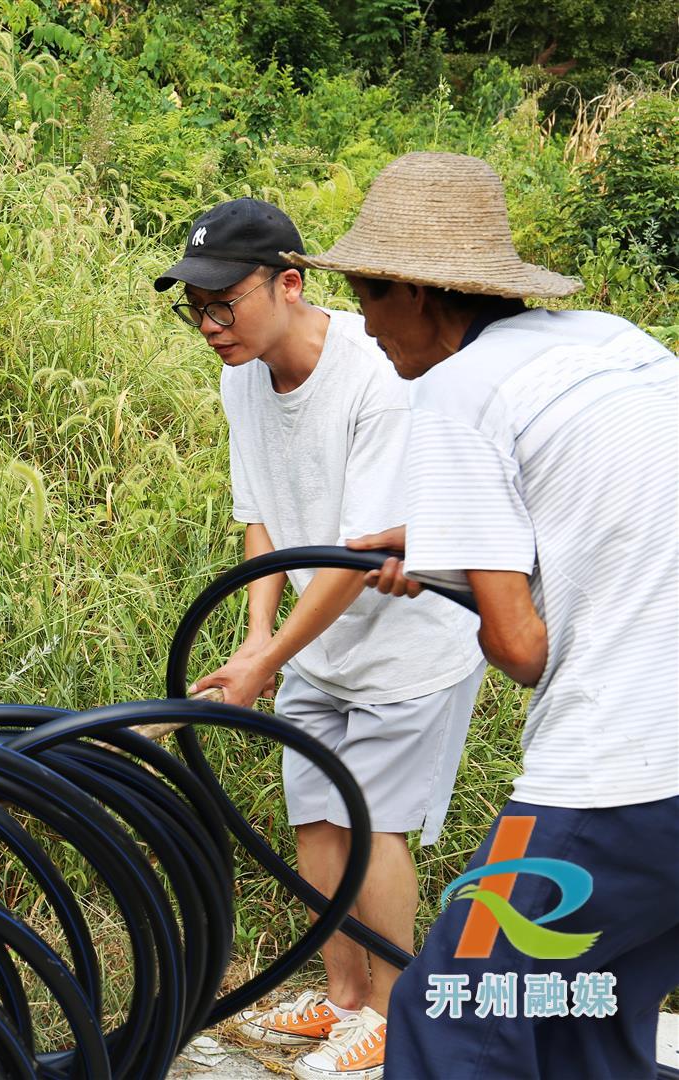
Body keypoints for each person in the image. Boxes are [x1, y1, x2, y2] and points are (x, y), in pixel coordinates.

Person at [290, 150, 678, 1079]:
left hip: (615, 774)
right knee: (585, 1014)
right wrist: (440, 548)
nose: (365, 325)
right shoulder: (615, 343)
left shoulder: (455, 391)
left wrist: (467, 581)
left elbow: (522, 650)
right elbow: (609, 507)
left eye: (369, 297)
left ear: (421, 293)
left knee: (450, 1002)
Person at [156, 197, 486, 1080]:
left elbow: (350, 552)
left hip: (406, 650)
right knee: (315, 822)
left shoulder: (375, 376)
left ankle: (389, 1014)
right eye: (194, 308)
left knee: (373, 826)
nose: (208, 326)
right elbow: (261, 521)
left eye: (223, 304)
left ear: (290, 284)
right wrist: (259, 637)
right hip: (314, 643)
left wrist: (271, 656)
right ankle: (342, 1001)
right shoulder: (241, 377)